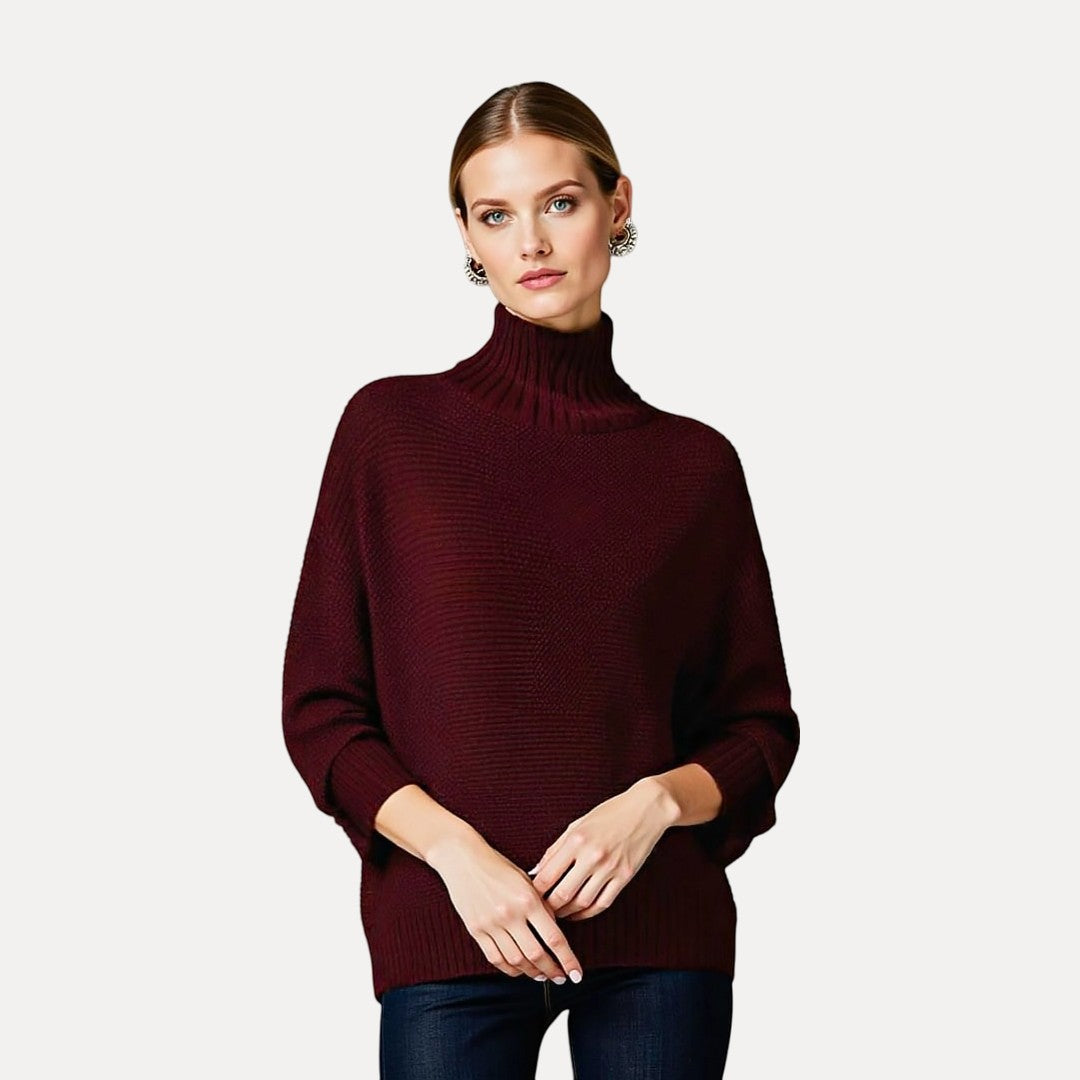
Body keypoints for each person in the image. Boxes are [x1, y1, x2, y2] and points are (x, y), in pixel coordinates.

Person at [281, 80, 800, 1079]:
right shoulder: (391, 432)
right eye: (495, 214)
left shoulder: (694, 466)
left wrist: (651, 805)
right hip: (453, 929)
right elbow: (323, 711)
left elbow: (758, 727)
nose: (531, 242)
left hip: (660, 936)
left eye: (560, 202)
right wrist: (456, 858)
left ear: (618, 203)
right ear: (466, 236)